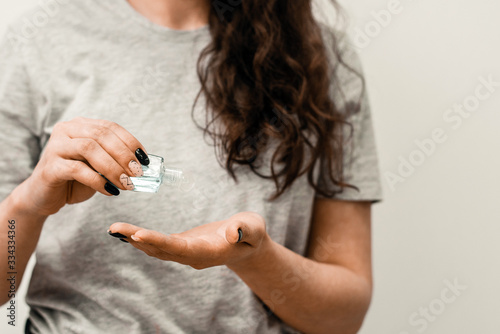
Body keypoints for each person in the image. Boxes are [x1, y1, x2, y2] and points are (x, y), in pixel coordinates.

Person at [0, 0, 382, 333]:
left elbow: (343, 317)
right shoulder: (36, 43)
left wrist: (255, 257)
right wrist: (28, 206)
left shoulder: (317, 55)